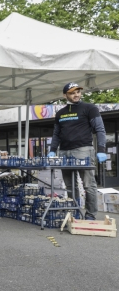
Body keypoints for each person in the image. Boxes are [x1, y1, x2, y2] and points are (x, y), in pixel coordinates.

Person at [48, 82, 106, 220]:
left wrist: (102, 149)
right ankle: (74, 211)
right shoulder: (60, 113)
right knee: (69, 185)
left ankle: (90, 215)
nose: (76, 95)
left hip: (83, 150)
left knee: (88, 185)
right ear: (65, 95)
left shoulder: (90, 108)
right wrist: (52, 150)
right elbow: (56, 134)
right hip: (64, 152)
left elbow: (100, 129)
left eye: (78, 92)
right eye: (72, 92)